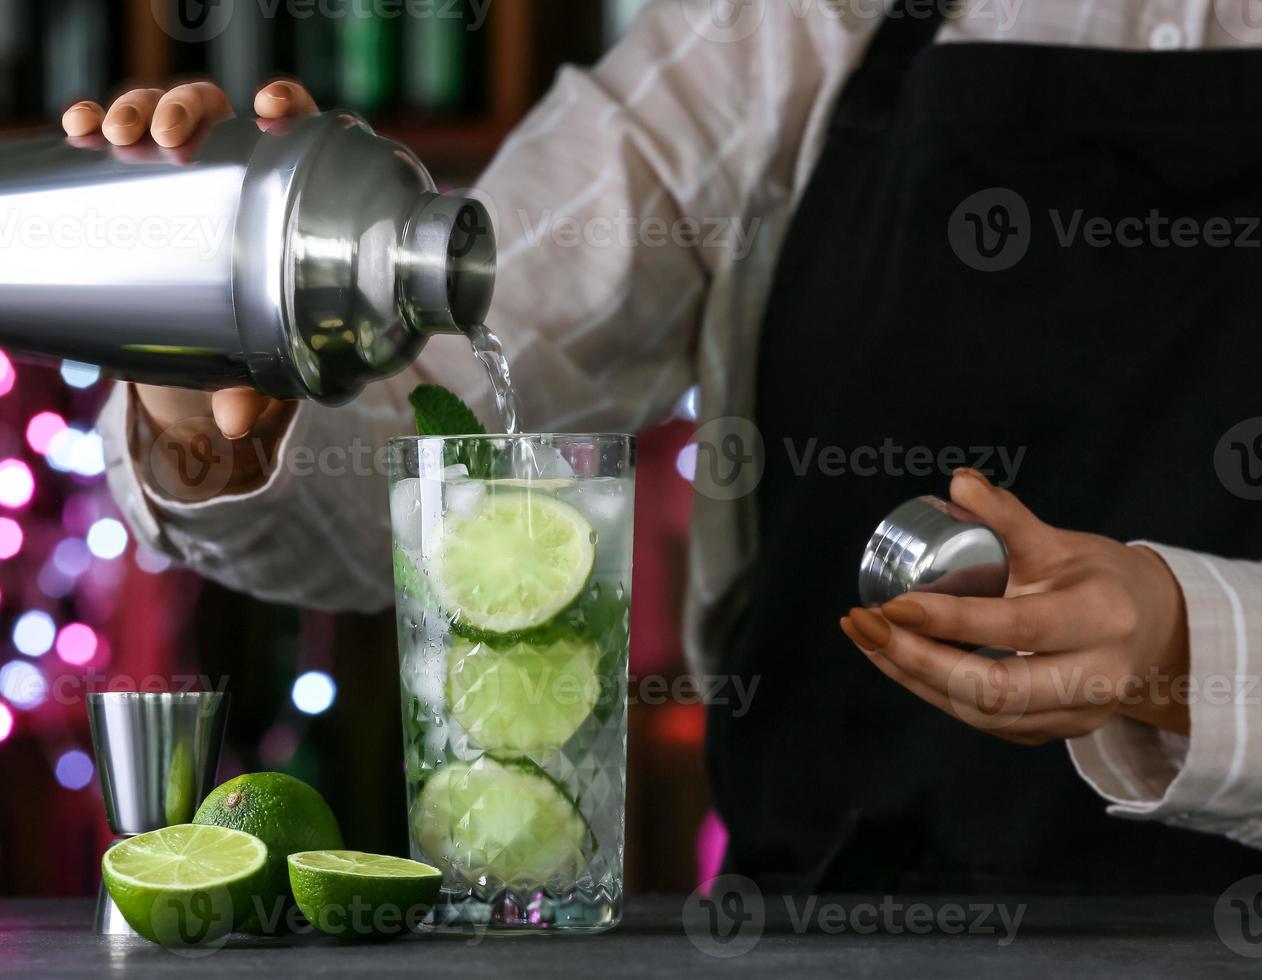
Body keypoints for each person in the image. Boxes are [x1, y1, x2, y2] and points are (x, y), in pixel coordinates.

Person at [72, 0, 1262, 891]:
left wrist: (1183, 646)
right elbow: (435, 443)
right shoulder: (794, 31)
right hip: (836, 931)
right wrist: (226, 371)